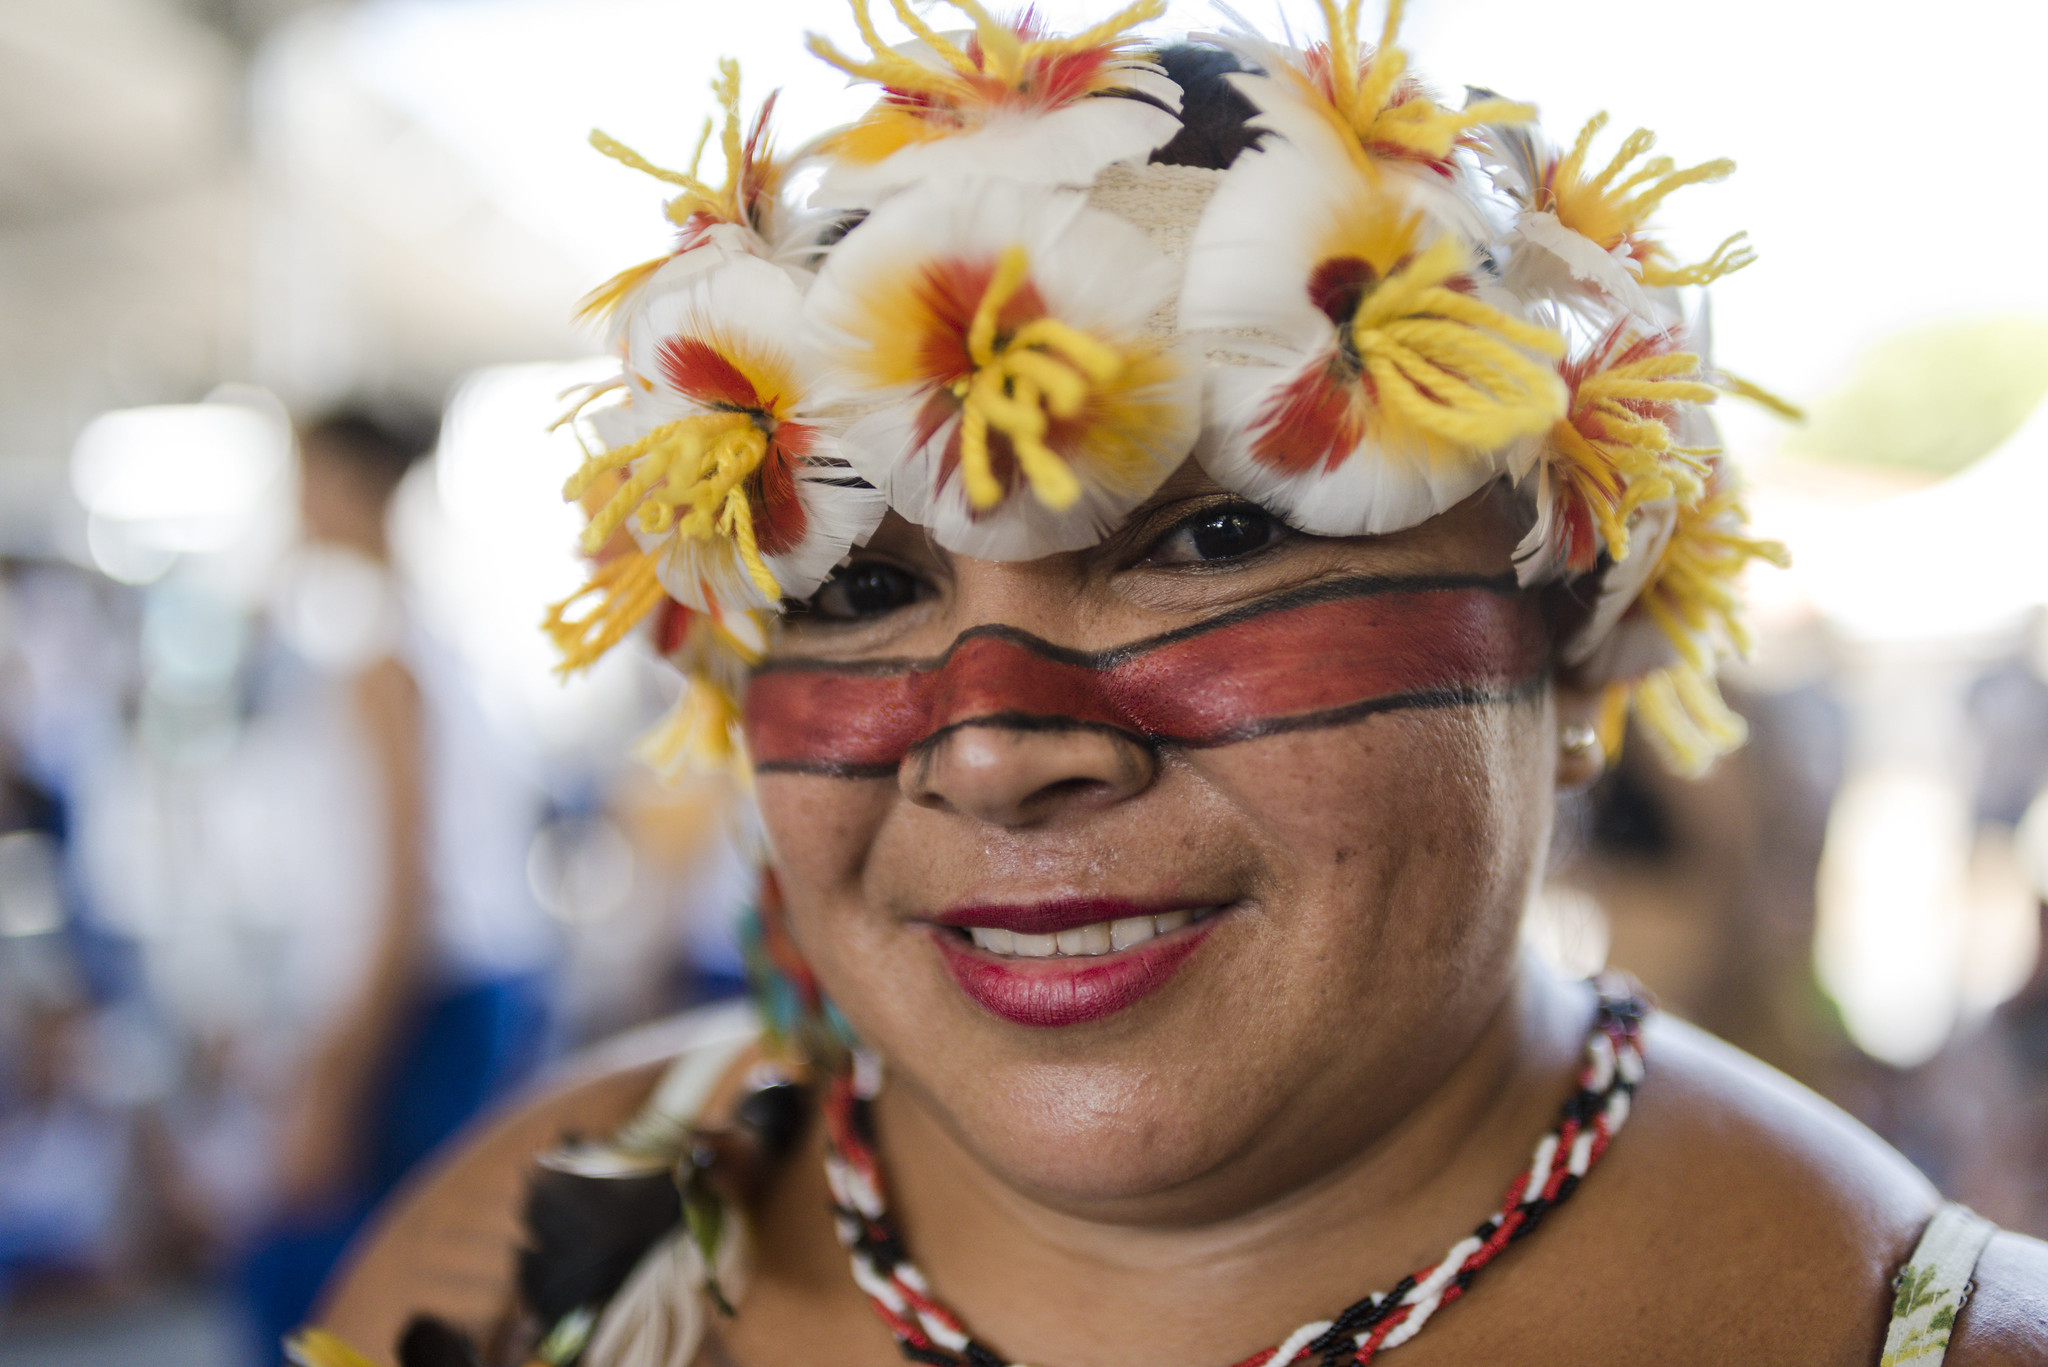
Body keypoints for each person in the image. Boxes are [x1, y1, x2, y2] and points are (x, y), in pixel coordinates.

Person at [297, 3, 2048, 1364]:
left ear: (1570, 630)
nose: (991, 746)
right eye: (860, 582)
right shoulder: (530, 1255)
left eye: (1212, 542)